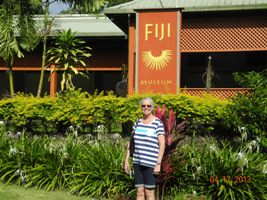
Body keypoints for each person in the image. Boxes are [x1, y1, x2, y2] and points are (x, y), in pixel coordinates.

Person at [124, 97, 165, 200]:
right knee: (139, 193)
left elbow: (162, 144)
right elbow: (131, 142)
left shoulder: (157, 123)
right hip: (137, 163)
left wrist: (158, 164)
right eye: (143, 105)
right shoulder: (137, 122)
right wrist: (126, 160)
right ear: (141, 107)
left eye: (148, 106)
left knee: (149, 193)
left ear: (152, 107)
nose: (146, 108)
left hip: (151, 164)